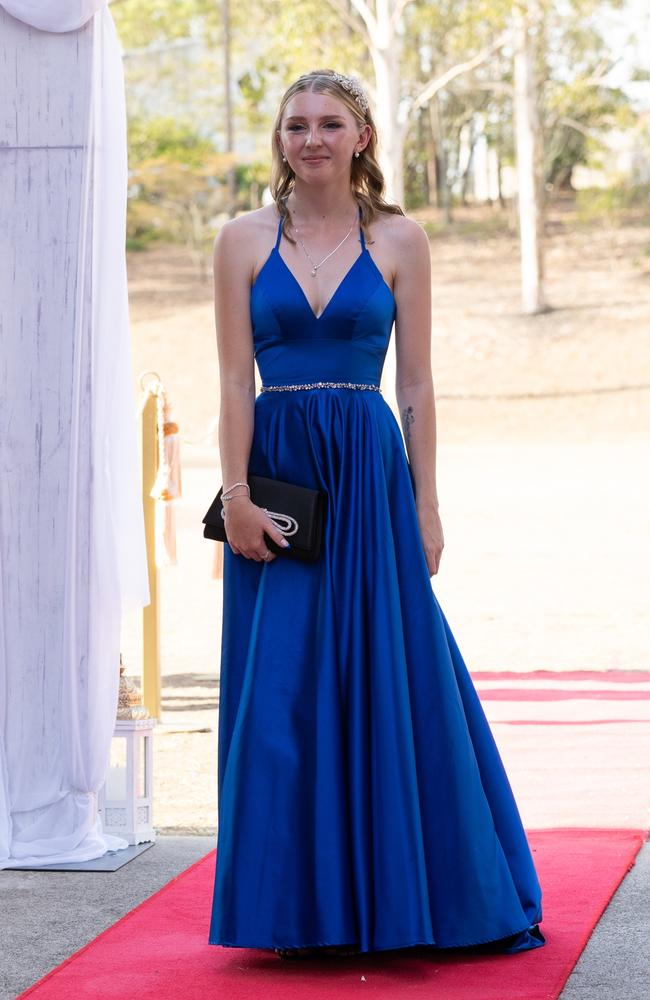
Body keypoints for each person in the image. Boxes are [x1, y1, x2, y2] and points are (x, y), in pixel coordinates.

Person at [208, 68, 546, 960]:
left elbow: (420, 381)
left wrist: (427, 504)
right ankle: (294, 910)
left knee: (389, 670)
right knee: (279, 689)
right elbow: (232, 383)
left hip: (367, 475)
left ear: (361, 136)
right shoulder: (240, 240)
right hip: (280, 475)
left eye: (329, 123)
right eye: (295, 125)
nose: (310, 138)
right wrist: (236, 496)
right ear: (279, 139)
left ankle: (417, 893)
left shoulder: (400, 238)